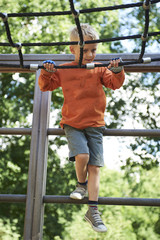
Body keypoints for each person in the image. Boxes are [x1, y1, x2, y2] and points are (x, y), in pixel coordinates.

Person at [38, 23, 125, 233]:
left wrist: (118, 70)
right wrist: (47, 72)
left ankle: (93, 211)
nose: (89, 54)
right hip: (73, 124)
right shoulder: (66, 69)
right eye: (84, 50)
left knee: (95, 167)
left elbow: (114, 83)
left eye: (93, 50)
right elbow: (45, 85)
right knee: (83, 156)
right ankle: (80, 184)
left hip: (95, 125)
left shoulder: (99, 68)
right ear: (73, 49)